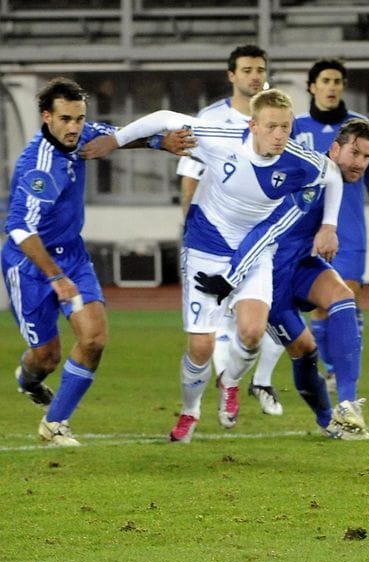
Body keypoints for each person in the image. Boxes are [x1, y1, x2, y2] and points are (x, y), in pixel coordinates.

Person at [85, 89, 344, 441]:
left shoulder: (300, 160)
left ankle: (230, 382)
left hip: (254, 252)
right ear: (253, 125)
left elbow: (332, 174)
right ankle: (190, 411)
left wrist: (329, 224)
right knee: (202, 347)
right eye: (271, 127)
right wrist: (115, 140)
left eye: (285, 127)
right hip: (206, 246)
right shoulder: (221, 137)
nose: (279, 135)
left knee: (252, 332)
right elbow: (163, 116)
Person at [249, 119, 369, 442]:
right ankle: (328, 420)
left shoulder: (336, 180)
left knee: (342, 298)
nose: (360, 163)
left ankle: (348, 404)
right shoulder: (307, 169)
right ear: (335, 148)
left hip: (301, 266)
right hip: (268, 277)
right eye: (355, 153)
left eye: (367, 157)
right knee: (304, 351)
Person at [1, 78, 116, 446]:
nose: (75, 127)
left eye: (80, 119)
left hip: (73, 255)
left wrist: (162, 142)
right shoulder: (38, 168)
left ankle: (55, 423)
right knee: (46, 357)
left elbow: (120, 135)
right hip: (30, 265)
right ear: (46, 117)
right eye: (66, 119)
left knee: (94, 339)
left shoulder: (82, 134)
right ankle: (29, 380)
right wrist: (56, 277)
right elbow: (19, 229)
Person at [174, 44, 285, 417]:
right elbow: (191, 176)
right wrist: (188, 224)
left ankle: (232, 382)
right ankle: (199, 404)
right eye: (248, 69)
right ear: (231, 76)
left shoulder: (276, 119)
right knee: (208, 333)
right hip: (211, 239)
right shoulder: (210, 118)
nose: (255, 75)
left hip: (256, 244)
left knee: (252, 329)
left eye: (260, 69)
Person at [280, 58, 369, 402]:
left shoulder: (359, 128)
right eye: (325, 80)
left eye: (337, 81)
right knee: (319, 305)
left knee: (350, 297)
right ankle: (330, 367)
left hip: (350, 229)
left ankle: (342, 372)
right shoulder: (294, 126)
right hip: (306, 232)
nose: (332, 87)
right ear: (312, 87)